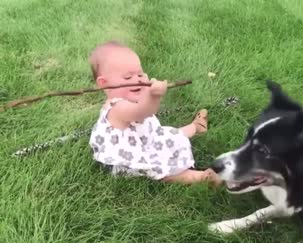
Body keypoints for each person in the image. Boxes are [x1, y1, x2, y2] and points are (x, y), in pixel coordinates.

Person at [87, 40, 221, 186]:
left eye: (140, 74)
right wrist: (154, 96)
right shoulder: (118, 108)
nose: (137, 80)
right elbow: (142, 111)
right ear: (104, 84)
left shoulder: (129, 97)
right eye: (127, 77)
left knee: (170, 135)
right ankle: (201, 177)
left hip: (146, 140)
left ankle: (196, 127)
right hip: (130, 160)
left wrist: (146, 92)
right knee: (161, 170)